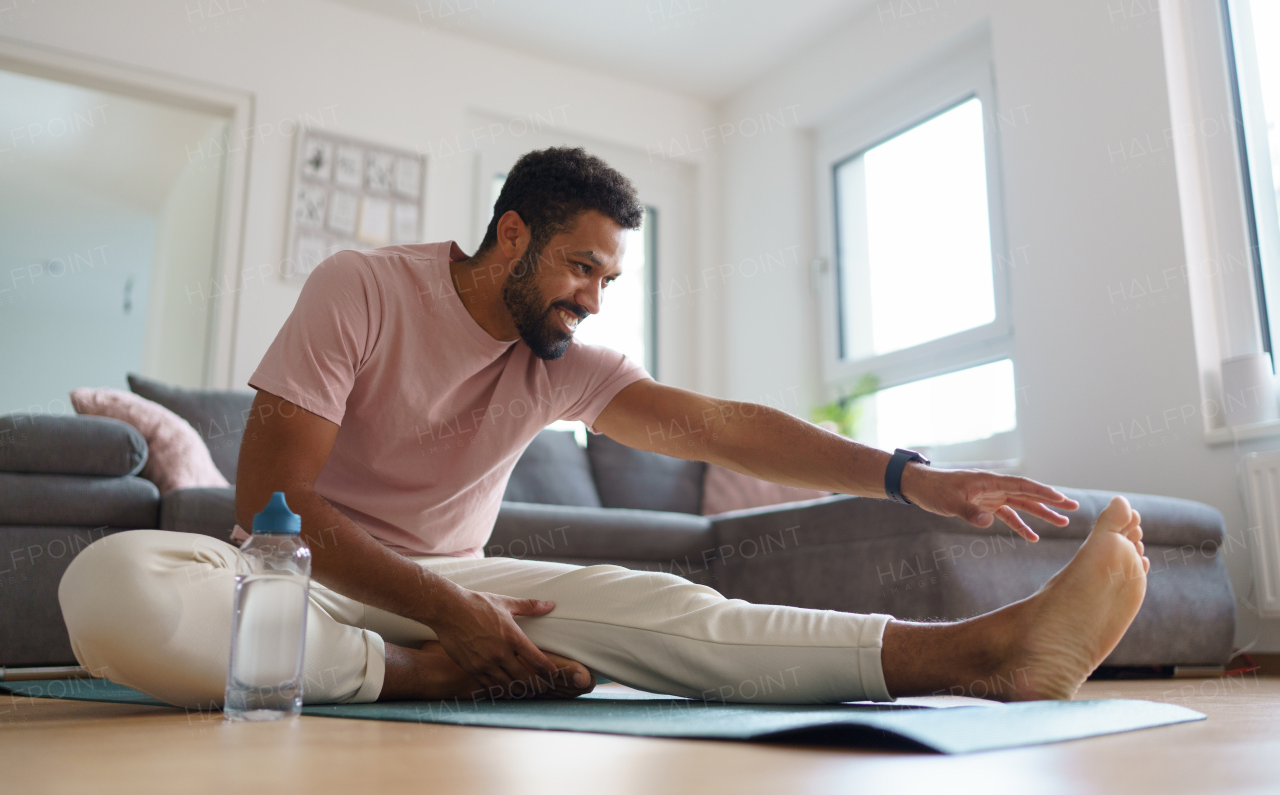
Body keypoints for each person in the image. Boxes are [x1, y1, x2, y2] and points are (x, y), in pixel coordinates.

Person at [58, 147, 1149, 709]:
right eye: (582, 264)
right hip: (301, 576)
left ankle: (987, 653)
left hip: (465, 584)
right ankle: (427, 675)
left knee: (671, 605)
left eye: (608, 275)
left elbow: (726, 428)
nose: (592, 295)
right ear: (511, 235)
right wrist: (452, 631)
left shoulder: (565, 364)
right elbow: (266, 511)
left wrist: (916, 478)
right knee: (110, 585)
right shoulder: (363, 288)